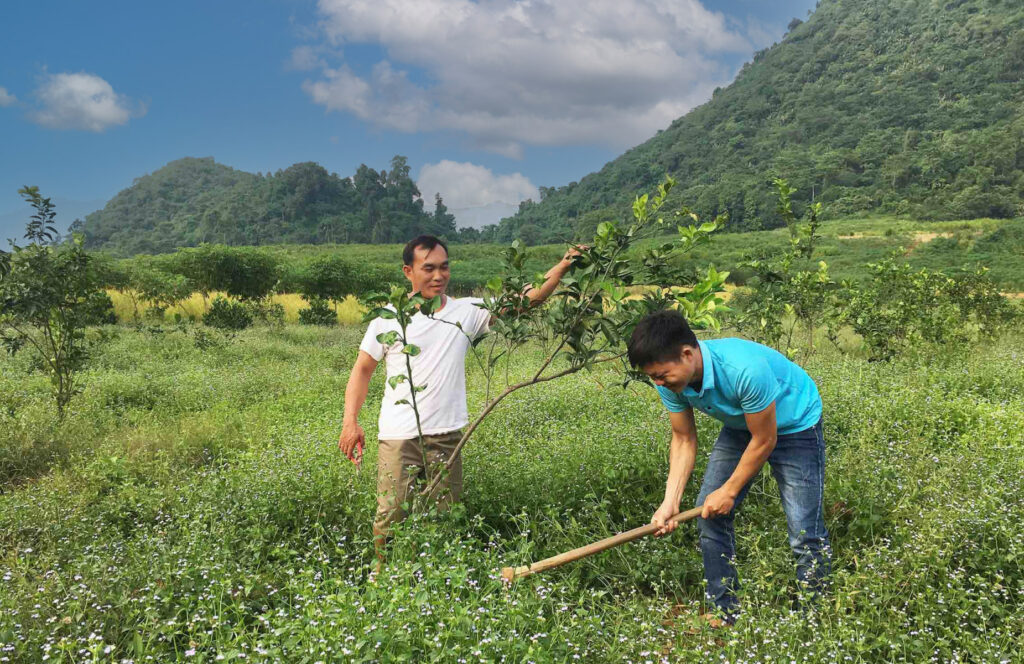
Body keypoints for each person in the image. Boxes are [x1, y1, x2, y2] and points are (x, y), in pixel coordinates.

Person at [338, 235, 580, 565]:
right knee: (390, 514)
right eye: (429, 268)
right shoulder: (387, 318)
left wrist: (563, 266)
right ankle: (383, 574)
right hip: (399, 435)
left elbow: (525, 300)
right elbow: (362, 370)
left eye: (444, 267)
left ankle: (438, 575)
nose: (439, 276)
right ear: (408, 271)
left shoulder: (466, 311)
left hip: (447, 435)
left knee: (444, 516)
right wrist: (350, 421)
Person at [627, 309, 830, 626]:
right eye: (652, 377)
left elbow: (765, 439)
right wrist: (669, 503)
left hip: (795, 425)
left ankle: (814, 618)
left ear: (687, 354)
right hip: (742, 425)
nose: (658, 383)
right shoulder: (668, 381)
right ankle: (725, 611)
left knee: (804, 530)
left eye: (662, 375)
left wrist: (730, 490)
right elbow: (683, 439)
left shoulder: (743, 369)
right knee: (708, 513)